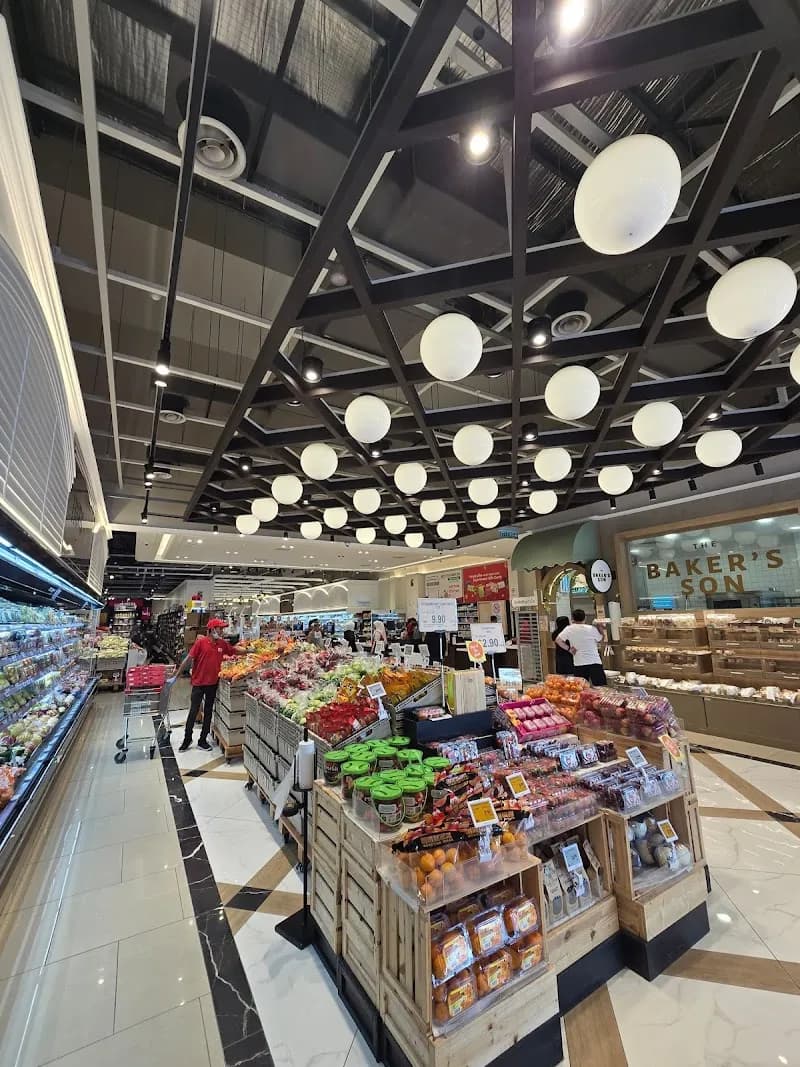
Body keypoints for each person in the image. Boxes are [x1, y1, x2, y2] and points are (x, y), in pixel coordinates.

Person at [177, 618, 246, 751]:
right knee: (193, 711)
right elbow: (188, 659)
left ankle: (202, 740)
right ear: (212, 629)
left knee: (208, 712)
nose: (222, 631)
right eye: (220, 628)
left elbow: (234, 651)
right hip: (198, 683)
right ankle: (187, 739)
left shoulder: (222, 644)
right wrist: (177, 674)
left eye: (222, 628)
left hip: (212, 684)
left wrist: (250, 651)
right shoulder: (200, 643)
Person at [555, 609, 607, 685]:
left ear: (573, 618)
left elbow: (558, 640)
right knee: (601, 687)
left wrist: (569, 649)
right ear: (585, 618)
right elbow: (601, 639)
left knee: (582, 689)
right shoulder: (591, 628)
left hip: (579, 663)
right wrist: (601, 629)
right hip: (594, 662)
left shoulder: (569, 629)